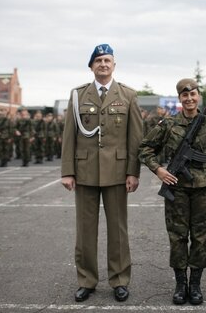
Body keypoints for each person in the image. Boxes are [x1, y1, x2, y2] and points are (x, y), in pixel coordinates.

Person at [61, 44, 142, 303]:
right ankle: (87, 281)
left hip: (118, 173)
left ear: (114, 65)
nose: (103, 64)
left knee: (118, 231)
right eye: (98, 61)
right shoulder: (77, 96)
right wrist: (67, 172)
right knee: (85, 231)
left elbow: (135, 139)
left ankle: (119, 281)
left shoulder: (128, 95)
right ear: (91, 66)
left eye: (107, 60)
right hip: (84, 172)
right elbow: (69, 137)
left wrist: (133, 171)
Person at [139, 78, 206, 305]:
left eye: (193, 94)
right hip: (176, 189)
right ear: (180, 98)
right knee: (178, 236)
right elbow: (145, 148)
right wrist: (158, 170)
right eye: (184, 95)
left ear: (198, 96)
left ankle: (195, 284)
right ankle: (180, 284)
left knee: (200, 237)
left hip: (203, 190)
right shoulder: (169, 124)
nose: (189, 98)